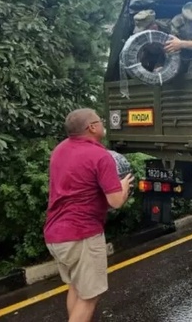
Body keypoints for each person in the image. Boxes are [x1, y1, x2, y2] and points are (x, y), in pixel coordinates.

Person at [43, 108, 134, 322]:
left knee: (75, 288)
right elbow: (116, 201)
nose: (103, 123)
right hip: (81, 235)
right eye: (99, 121)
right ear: (92, 127)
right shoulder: (99, 156)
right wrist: (124, 185)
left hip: (55, 234)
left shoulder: (60, 150)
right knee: (89, 297)